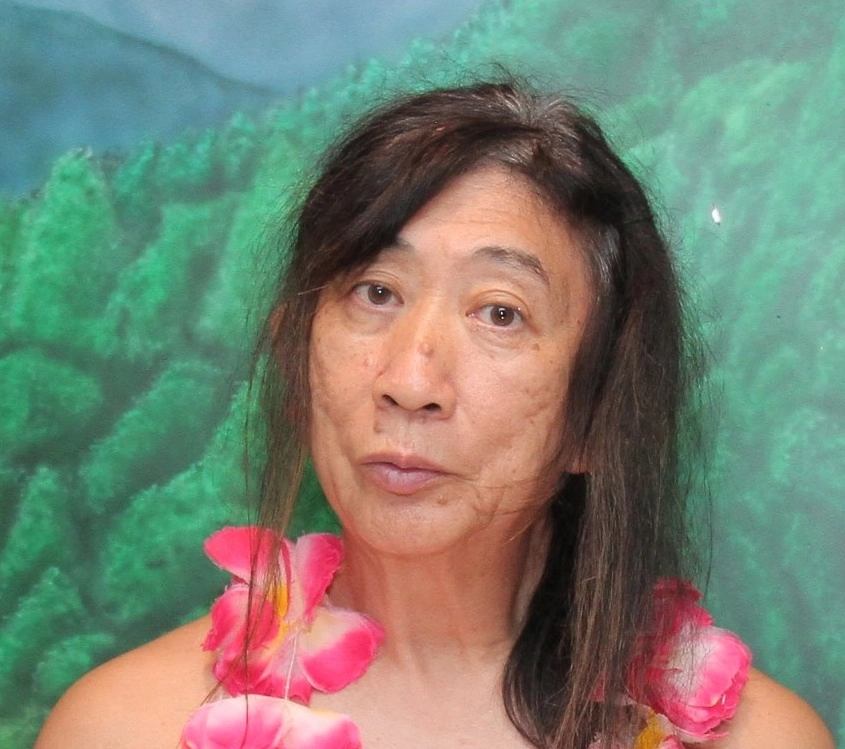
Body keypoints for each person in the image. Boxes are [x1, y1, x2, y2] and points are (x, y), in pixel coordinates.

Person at [36, 80, 834, 749]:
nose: (411, 380)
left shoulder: (761, 741)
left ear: (596, 416)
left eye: (499, 312)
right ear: (296, 359)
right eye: (375, 291)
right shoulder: (121, 728)